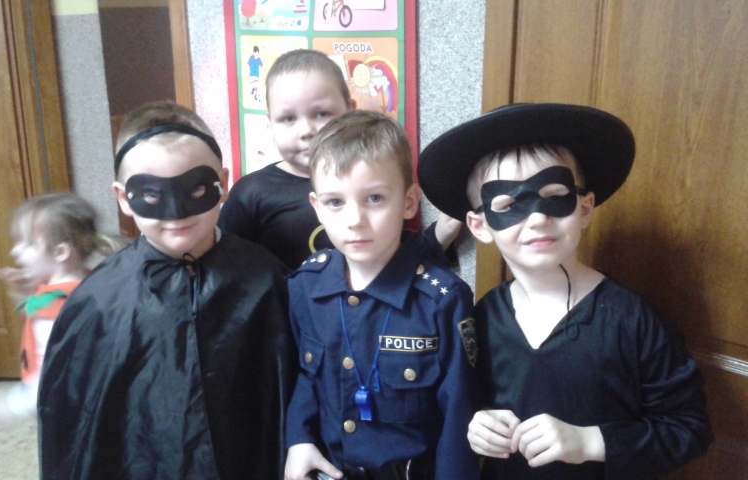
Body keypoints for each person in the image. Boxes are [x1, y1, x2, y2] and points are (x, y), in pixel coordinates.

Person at [417, 103, 713, 479]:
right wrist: (477, 424)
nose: (538, 218)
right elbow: (471, 397)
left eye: (555, 195)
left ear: (585, 208)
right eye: (509, 204)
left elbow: (688, 428)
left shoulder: (631, 321)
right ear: (480, 226)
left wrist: (590, 442)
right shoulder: (484, 316)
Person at [37, 101, 295, 480]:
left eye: (196, 189)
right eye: (153, 196)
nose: (177, 214)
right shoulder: (98, 302)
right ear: (123, 198)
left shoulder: (265, 280)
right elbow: (74, 426)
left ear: (222, 184)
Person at [284, 110, 481, 480]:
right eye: (335, 202)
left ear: (409, 202)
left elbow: (459, 416)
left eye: (374, 198)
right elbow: (307, 376)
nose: (354, 220)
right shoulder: (306, 286)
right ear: (317, 207)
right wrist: (299, 439)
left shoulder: (442, 299)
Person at [218, 48, 461, 270]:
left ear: (350, 110)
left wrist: (439, 237)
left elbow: (398, 254)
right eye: (288, 118)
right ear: (270, 121)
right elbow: (226, 266)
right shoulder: (250, 194)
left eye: (321, 113)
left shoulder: (377, 174)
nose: (306, 131)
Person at [0, 193, 115, 419]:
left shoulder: (55, 314)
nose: (14, 251)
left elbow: (51, 376)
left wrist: (11, 406)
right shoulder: (88, 283)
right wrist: (29, 288)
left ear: (61, 252)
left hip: (66, 412)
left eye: (28, 244)